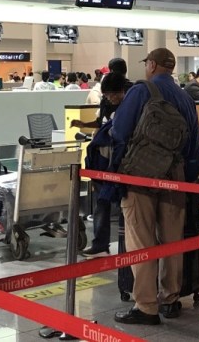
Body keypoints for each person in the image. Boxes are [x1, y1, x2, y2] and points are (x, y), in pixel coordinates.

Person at [111, 48, 199, 325]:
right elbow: (193, 146)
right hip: (175, 176)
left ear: (151, 65)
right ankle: (170, 298)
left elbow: (119, 131)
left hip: (140, 176)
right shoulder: (185, 97)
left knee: (142, 240)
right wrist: (187, 179)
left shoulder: (141, 91)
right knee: (172, 240)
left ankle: (146, 305)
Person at [81, 73, 128, 258]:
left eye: (111, 95)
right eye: (107, 95)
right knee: (101, 202)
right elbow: (100, 123)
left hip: (121, 161)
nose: (109, 98)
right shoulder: (106, 103)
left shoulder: (130, 106)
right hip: (103, 160)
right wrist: (81, 123)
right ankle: (100, 243)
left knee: (124, 204)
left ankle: (126, 245)